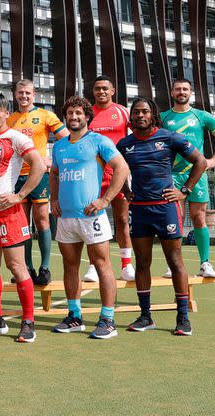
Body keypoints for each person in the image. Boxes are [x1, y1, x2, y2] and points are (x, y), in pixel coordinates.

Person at [116, 97, 206, 336]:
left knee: (175, 261)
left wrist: (184, 190)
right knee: (142, 263)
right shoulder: (125, 144)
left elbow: (200, 162)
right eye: (136, 112)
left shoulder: (169, 137)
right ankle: (146, 316)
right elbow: (116, 168)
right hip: (140, 210)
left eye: (145, 111)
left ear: (153, 114)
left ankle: (183, 317)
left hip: (165, 208)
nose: (140, 116)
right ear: (131, 117)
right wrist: (125, 190)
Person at [50, 96, 130, 339]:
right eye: (70, 113)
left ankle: (108, 319)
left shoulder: (98, 141)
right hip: (66, 218)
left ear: (87, 116)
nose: (73, 117)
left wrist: (105, 200)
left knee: (102, 264)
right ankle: (75, 316)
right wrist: (54, 199)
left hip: (91, 216)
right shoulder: (60, 145)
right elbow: (54, 172)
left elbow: (122, 167)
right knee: (70, 266)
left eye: (78, 113)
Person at [0, 92, 45, 343]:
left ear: (6, 113)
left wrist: (20, 195)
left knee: (17, 266)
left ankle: (28, 322)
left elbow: (38, 165)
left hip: (9, 213)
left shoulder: (15, 137)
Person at [161, 78, 215, 278]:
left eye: (185, 89)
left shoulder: (201, 116)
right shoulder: (164, 117)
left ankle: (205, 264)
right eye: (178, 89)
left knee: (199, 217)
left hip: (196, 174)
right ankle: (173, 264)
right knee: (175, 219)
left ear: (190, 93)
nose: (181, 92)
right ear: (172, 93)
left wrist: (214, 160)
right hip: (171, 174)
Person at [6, 79, 68, 285]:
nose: (24, 96)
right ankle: (27, 269)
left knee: (42, 220)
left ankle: (45, 268)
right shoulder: (9, 119)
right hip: (16, 177)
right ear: (15, 94)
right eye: (20, 92)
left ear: (35, 95)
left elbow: (66, 139)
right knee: (22, 225)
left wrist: (52, 160)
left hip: (38, 175)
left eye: (28, 93)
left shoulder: (45, 115)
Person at [84, 76, 135, 282]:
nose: (101, 92)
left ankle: (126, 265)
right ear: (93, 91)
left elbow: (134, 136)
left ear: (112, 91)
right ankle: (93, 267)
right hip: (93, 176)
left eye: (105, 88)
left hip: (119, 176)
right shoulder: (87, 114)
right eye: (97, 89)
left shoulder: (122, 111)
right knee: (91, 221)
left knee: (122, 220)